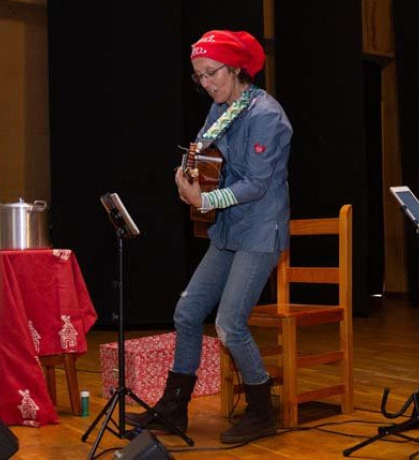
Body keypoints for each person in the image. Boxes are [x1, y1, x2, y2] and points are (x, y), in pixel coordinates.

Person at [126, 29, 292, 444]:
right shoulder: (223, 109)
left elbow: (256, 183)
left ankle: (261, 411)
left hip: (259, 231)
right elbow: (202, 152)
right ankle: (174, 408)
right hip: (228, 229)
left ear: (236, 69)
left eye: (212, 73)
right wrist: (187, 173)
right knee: (186, 312)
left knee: (230, 323)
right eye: (198, 76)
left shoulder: (265, 115)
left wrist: (205, 199)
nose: (206, 83)